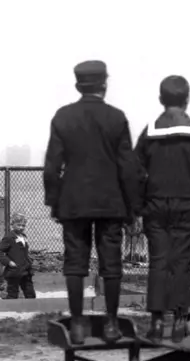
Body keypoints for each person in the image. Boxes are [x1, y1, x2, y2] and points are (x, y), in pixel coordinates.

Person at [43, 60, 142, 344]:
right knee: (111, 264)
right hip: (111, 203)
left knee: (75, 264)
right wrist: (133, 206)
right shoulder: (117, 118)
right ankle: (111, 324)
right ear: (104, 85)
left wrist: (54, 201)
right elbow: (128, 167)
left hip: (73, 203)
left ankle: (76, 325)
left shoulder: (63, 117)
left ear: (78, 86)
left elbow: (52, 167)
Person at [134, 75, 190, 343]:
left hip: (155, 206)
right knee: (181, 264)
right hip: (188, 206)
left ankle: (156, 323)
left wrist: (138, 206)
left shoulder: (149, 133)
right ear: (187, 99)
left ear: (161, 100)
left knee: (158, 263)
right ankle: (180, 322)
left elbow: (135, 173)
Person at [0, 212, 36, 299]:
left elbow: (23, 252)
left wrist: (29, 260)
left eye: (23, 225)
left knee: (30, 292)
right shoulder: (9, 237)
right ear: (12, 225)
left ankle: (30, 308)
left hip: (26, 269)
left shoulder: (23, 236)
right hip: (15, 270)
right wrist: (8, 262)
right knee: (12, 292)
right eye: (18, 225)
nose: (21, 227)